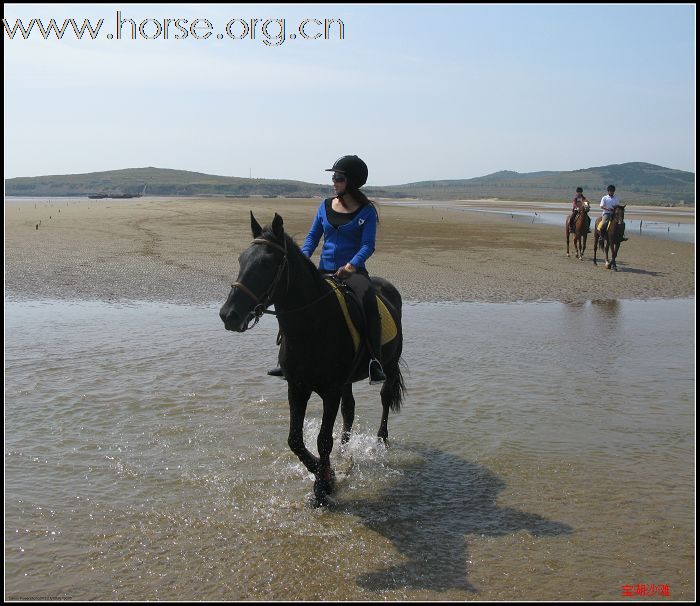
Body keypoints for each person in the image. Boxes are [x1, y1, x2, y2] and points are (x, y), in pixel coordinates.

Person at [268, 155, 386, 385]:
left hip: (354, 273)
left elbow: (367, 245)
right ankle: (287, 359)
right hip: (323, 271)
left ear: (350, 181)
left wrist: (351, 266)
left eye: (338, 178)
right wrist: (301, 261)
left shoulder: (367, 211)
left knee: (369, 303)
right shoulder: (324, 205)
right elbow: (313, 237)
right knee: (290, 300)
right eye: (333, 177)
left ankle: (374, 361)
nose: (334, 181)